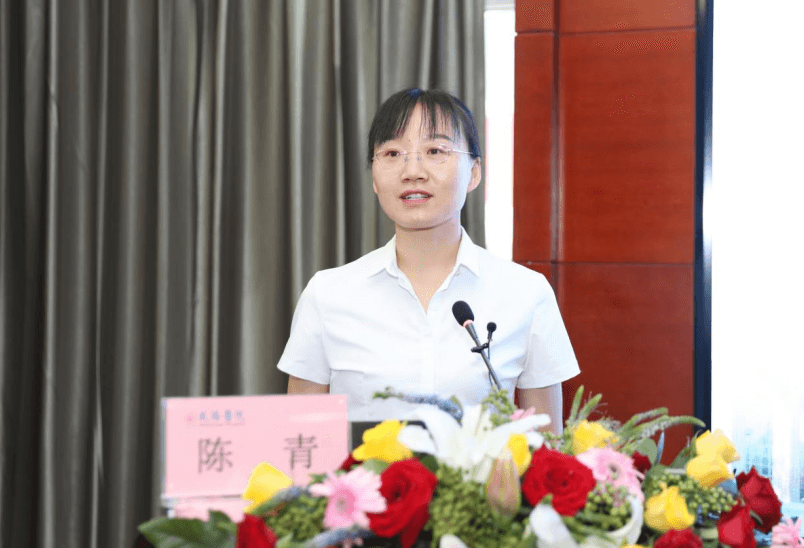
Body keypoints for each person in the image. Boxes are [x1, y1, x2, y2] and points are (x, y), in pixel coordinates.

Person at [277, 88, 578, 434]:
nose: (412, 171)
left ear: (474, 172)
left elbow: (548, 445)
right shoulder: (327, 294)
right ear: (374, 177)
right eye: (392, 153)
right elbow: (300, 440)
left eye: (435, 151)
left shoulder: (526, 293)